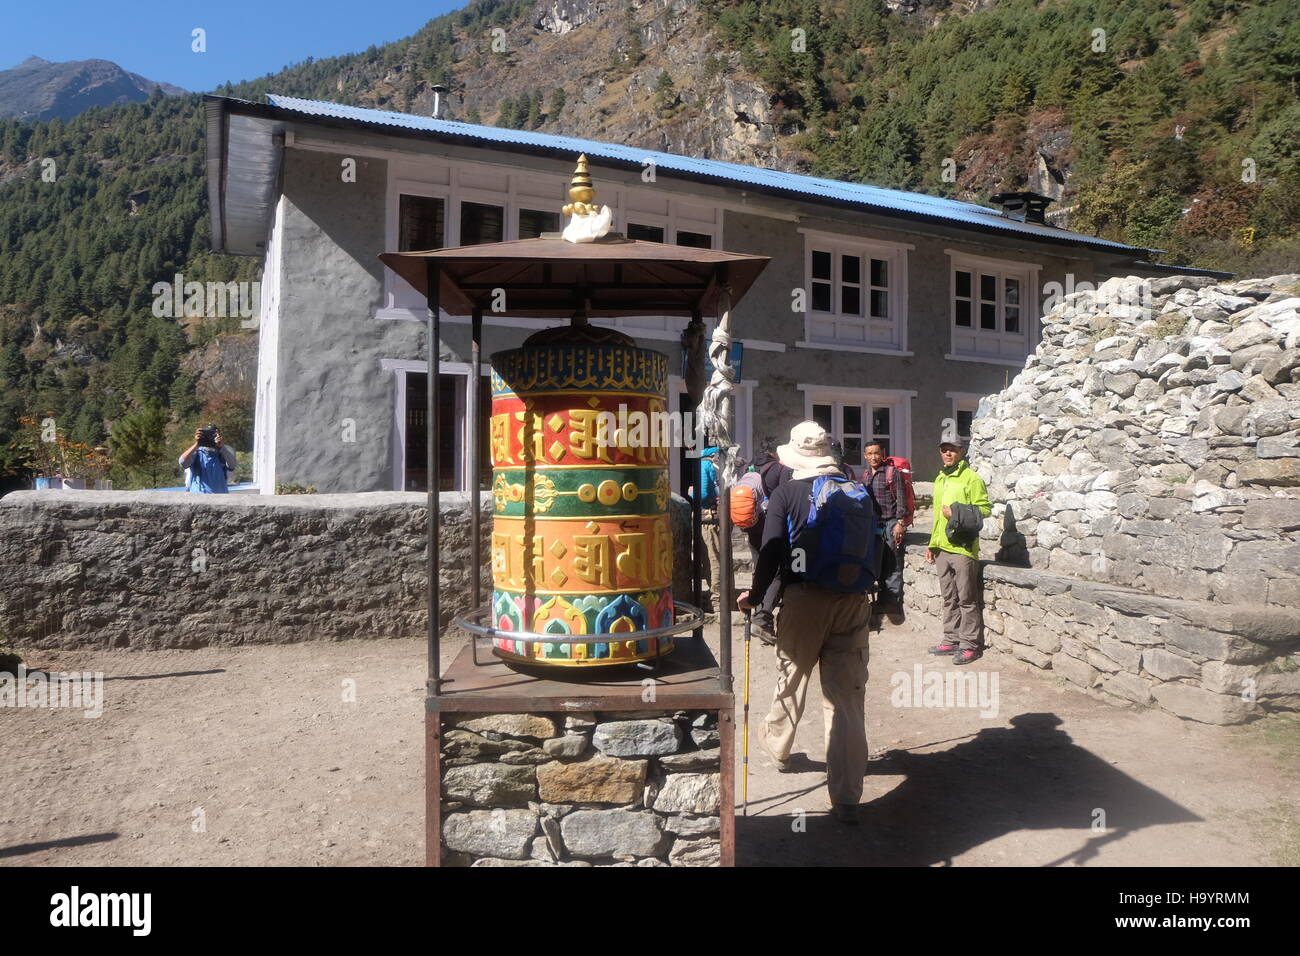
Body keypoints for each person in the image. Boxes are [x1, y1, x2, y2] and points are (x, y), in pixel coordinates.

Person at [737, 421, 875, 825]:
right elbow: (880, 547)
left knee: (792, 676)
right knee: (846, 699)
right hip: (853, 601)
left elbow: (772, 551)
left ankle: (779, 748)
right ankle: (847, 797)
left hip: (804, 600)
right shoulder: (858, 491)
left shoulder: (786, 492)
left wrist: (757, 597)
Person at [925, 438, 991, 664]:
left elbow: (985, 509)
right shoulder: (940, 478)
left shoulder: (972, 478)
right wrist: (932, 545)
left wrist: (956, 514)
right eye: (944, 450)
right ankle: (951, 639)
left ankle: (970, 645)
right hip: (942, 548)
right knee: (948, 598)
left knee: (966, 599)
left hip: (963, 548)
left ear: (961, 452)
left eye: (952, 450)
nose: (947, 454)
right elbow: (936, 517)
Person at [742, 439, 792, 644]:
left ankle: (760, 610)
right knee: (777, 571)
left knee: (760, 566)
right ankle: (763, 618)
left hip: (751, 523)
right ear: (775, 453)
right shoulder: (781, 469)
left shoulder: (749, 468)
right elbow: (783, 497)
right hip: (771, 522)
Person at [863, 443, 909, 623]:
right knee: (878, 563)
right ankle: (882, 600)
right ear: (865, 455)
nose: (873, 457)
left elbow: (901, 499)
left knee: (892, 562)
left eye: (876, 453)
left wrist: (900, 523)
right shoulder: (866, 475)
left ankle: (892, 603)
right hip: (874, 524)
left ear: (882, 454)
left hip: (891, 523)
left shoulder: (891, 473)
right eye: (870, 454)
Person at [179, 425, 236, 494]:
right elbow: (182, 462)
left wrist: (221, 447)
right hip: (199, 497)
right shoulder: (197, 452)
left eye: (213, 435)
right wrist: (197, 444)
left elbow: (232, 465)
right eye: (207, 435)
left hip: (220, 497)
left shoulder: (223, 453)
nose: (210, 438)